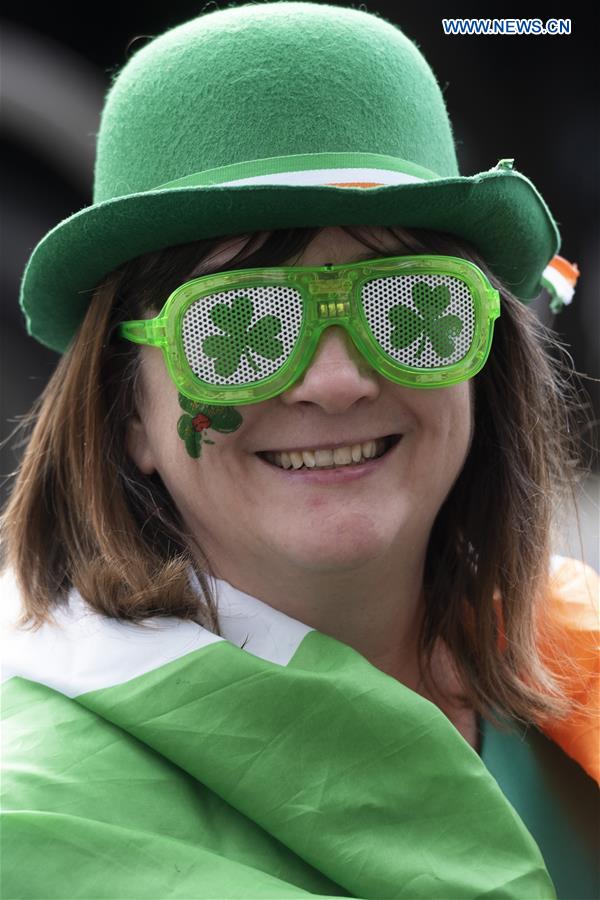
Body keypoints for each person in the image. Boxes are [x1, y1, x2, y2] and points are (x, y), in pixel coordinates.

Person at [1, 3, 598, 899]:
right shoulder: (36, 828)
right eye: (239, 325)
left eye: (410, 307)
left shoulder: (573, 658)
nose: (335, 382)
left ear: (485, 367)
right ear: (128, 411)